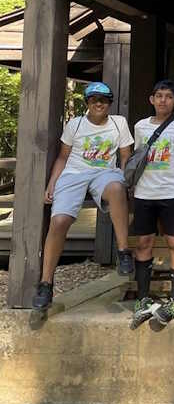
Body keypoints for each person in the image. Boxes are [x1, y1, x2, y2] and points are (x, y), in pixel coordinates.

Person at [33, 82, 135, 311]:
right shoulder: (75, 124)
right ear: (87, 103)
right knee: (59, 221)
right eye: (94, 99)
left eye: (104, 99)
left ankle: (123, 251)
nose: (99, 103)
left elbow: (126, 155)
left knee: (117, 189)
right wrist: (52, 183)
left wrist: (127, 179)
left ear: (110, 102)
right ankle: (45, 283)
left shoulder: (119, 124)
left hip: (104, 172)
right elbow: (62, 156)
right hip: (74, 173)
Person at [130, 80, 174, 329]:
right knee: (143, 242)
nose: (163, 100)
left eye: (168, 96)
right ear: (151, 99)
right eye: (158, 96)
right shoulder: (140, 126)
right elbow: (137, 158)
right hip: (144, 192)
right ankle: (142, 298)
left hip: (173, 192)